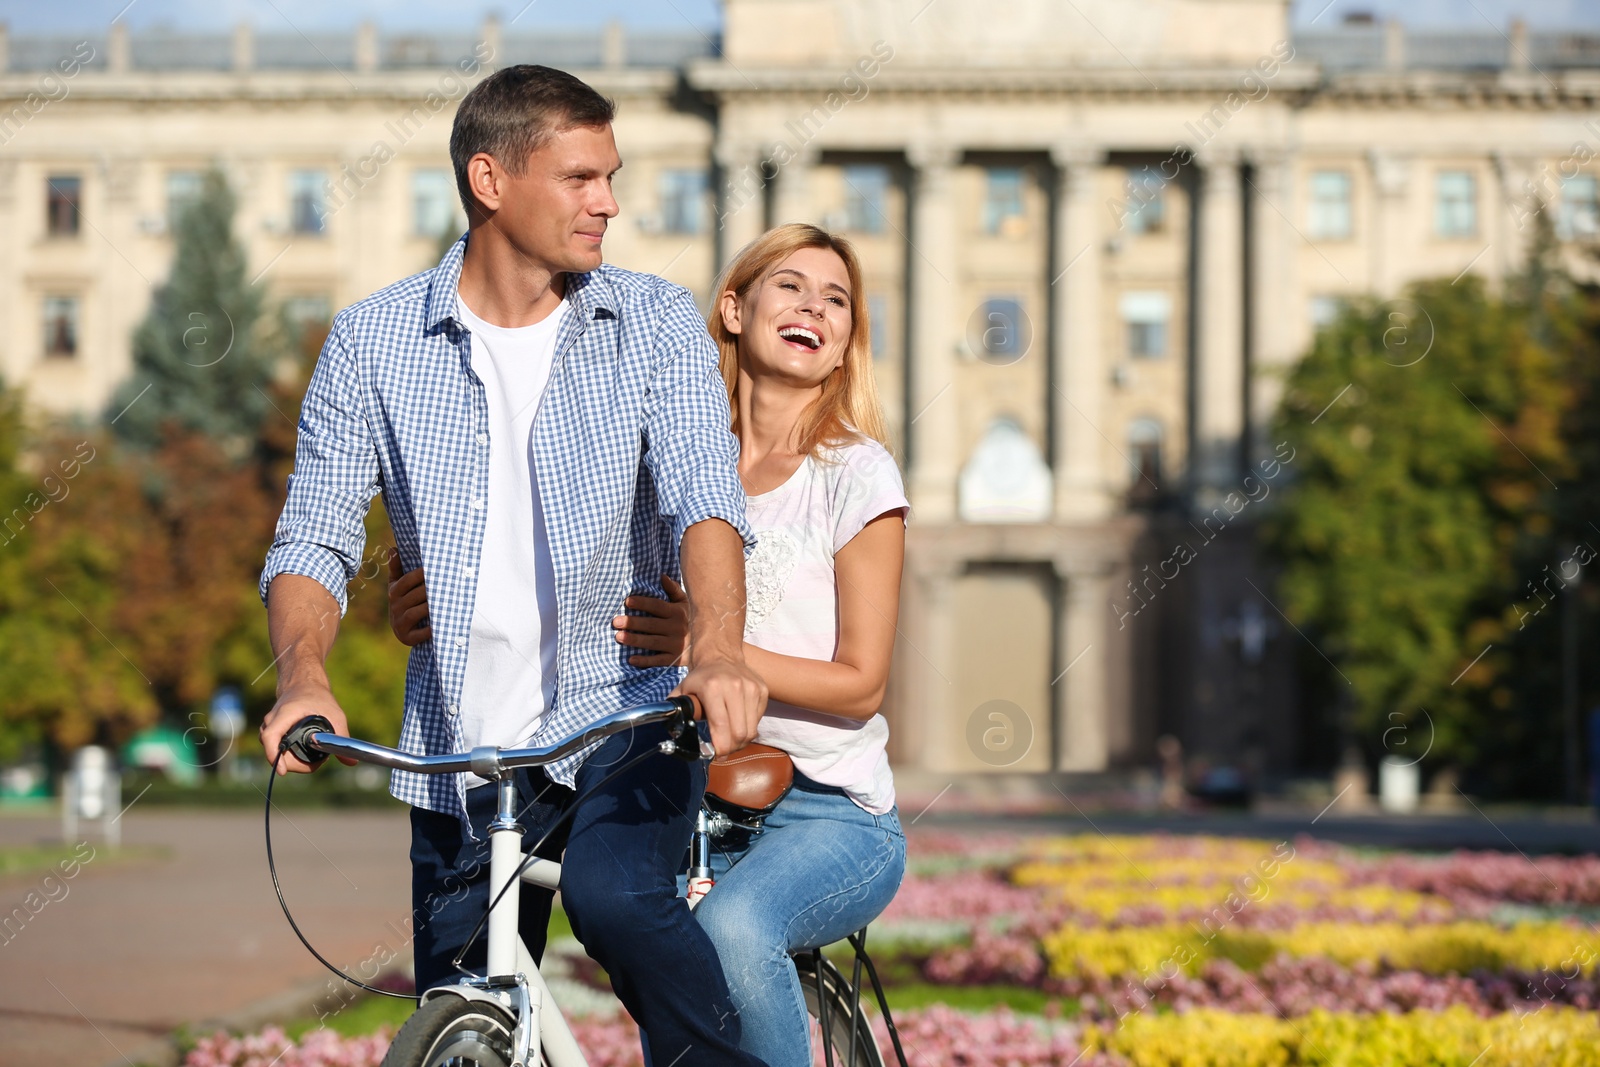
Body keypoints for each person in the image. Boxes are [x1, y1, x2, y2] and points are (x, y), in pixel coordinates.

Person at [258, 64, 768, 1067]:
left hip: (622, 717)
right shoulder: (371, 342)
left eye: (610, 176)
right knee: (461, 1010)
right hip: (459, 745)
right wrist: (303, 674)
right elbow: (314, 532)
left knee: (616, 897)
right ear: (491, 181)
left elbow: (704, 495)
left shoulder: (654, 323)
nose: (608, 202)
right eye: (580, 177)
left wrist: (718, 648)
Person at [390, 223, 909, 1067]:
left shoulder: (856, 475)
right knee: (604, 915)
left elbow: (862, 685)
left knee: (734, 928)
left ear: (849, 340)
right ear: (733, 308)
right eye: (792, 286)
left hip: (827, 807)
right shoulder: (664, 458)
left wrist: (717, 645)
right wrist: (428, 593)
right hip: (691, 782)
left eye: (838, 299)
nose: (816, 305)